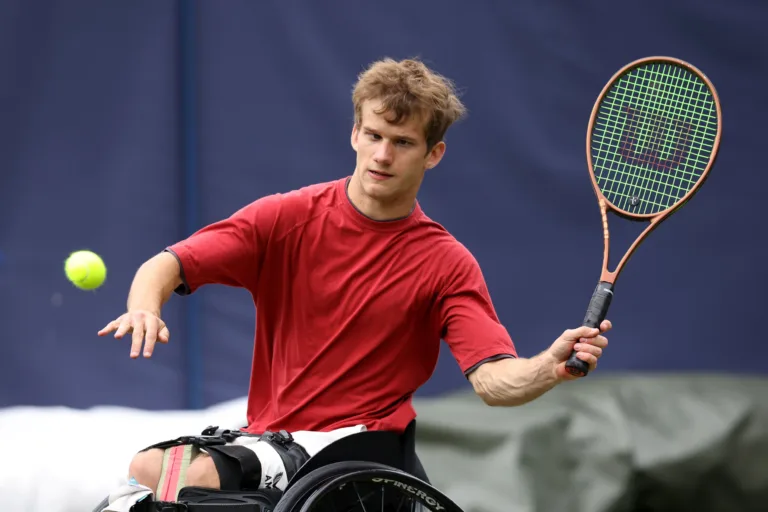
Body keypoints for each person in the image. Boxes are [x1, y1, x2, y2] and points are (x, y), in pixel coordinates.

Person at [98, 57, 610, 506]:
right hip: (276, 442)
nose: (382, 156)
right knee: (144, 477)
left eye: (403, 143)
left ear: (433, 154)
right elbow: (167, 265)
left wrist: (548, 367)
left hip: (360, 450)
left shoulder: (446, 263)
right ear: (355, 134)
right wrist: (145, 307)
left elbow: (493, 382)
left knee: (184, 475)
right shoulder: (284, 218)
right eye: (374, 136)